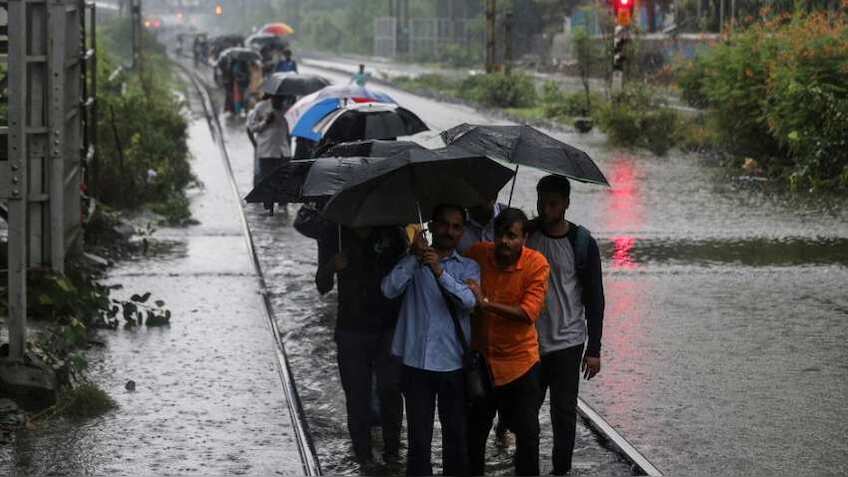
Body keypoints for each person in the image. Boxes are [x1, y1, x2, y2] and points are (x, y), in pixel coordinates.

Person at [381, 204, 480, 476]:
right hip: (416, 365)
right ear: (433, 226)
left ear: (462, 232)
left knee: (456, 441)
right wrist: (415, 259)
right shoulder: (411, 262)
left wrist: (439, 271)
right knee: (418, 441)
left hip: (454, 366)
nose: (449, 231)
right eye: (444, 224)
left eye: (456, 226)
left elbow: (470, 302)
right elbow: (388, 289)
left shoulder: (468, 266)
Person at [526, 175, 605, 475]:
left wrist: (594, 349)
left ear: (566, 205)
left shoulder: (582, 243)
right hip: (529, 341)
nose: (545, 209)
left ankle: (561, 471)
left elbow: (595, 299)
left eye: (553, 203)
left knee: (563, 414)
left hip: (568, 342)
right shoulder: (526, 234)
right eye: (541, 202)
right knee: (525, 413)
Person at [465, 208, 550, 476]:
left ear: (524, 238)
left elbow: (529, 313)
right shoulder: (478, 254)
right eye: (501, 234)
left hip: (520, 364)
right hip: (484, 361)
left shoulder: (537, 264)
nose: (505, 241)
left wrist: (486, 304)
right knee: (475, 433)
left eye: (512, 236)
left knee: (528, 435)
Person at [315, 225, 408, 467]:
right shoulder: (333, 231)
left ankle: (392, 452)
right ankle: (363, 455)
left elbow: (405, 276)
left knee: (391, 389)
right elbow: (322, 285)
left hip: (388, 328)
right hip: (351, 330)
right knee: (357, 395)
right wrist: (331, 267)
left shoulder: (392, 230)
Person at [246, 94, 293, 213]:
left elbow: (289, 131)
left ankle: (283, 205)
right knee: (267, 179)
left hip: (283, 151)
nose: (281, 101)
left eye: (282, 99)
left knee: (283, 179)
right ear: (272, 97)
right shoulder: (261, 107)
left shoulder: (287, 109)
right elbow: (251, 127)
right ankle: (269, 206)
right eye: (278, 98)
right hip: (267, 151)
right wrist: (265, 121)